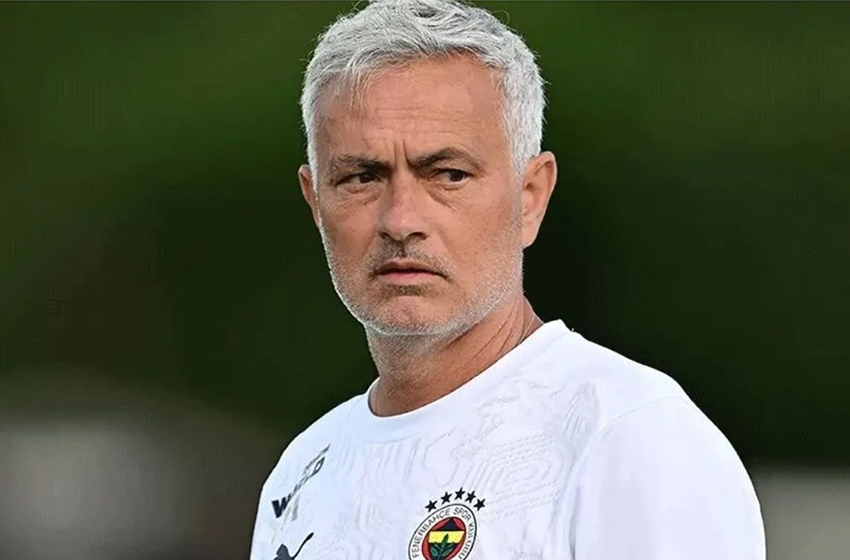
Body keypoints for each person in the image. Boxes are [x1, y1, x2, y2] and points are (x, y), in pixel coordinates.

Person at [250, 1, 766, 558]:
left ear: (530, 197)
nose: (400, 220)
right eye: (360, 177)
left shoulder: (627, 439)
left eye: (448, 174)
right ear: (315, 202)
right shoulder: (303, 476)